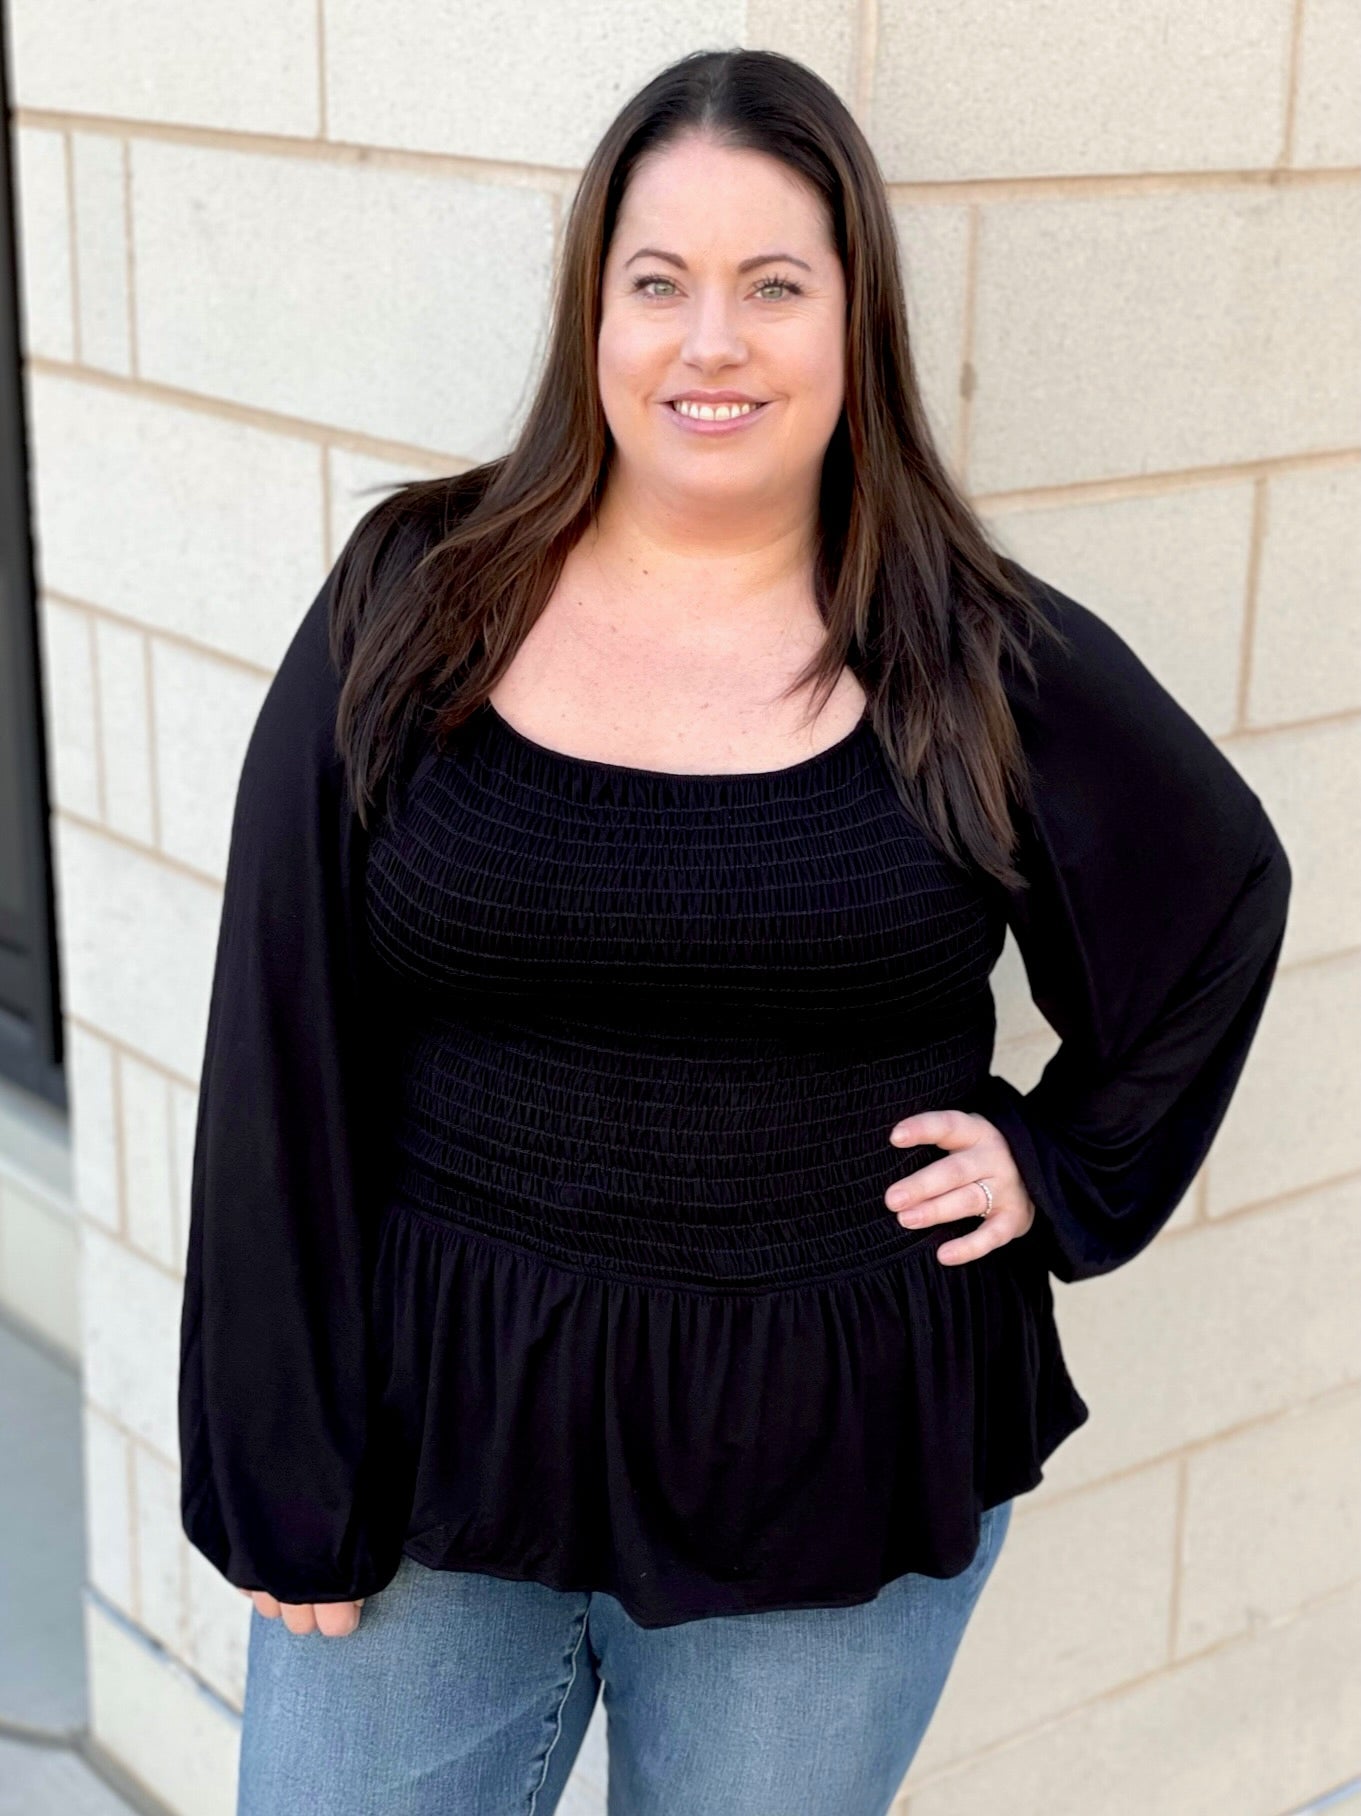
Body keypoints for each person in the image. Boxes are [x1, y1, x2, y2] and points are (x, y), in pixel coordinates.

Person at [177, 46, 1292, 1816]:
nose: (712, 343)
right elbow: (278, 1042)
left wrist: (1063, 1163)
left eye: (774, 286)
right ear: (593, 314)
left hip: (828, 1458)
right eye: (658, 284)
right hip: (433, 1432)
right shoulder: (417, 598)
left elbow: (1219, 892)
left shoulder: (968, 652)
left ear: (855, 326)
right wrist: (274, 1467)